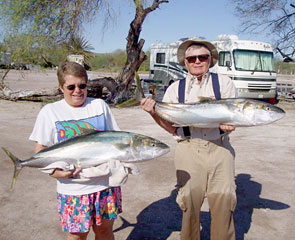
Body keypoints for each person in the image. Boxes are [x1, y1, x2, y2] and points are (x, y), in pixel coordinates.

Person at [141, 39, 237, 240]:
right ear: (185, 62)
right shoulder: (175, 89)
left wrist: (231, 123)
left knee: (224, 205)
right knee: (190, 205)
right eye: (192, 58)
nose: (197, 61)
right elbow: (171, 127)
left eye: (203, 57)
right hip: (188, 148)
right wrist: (153, 112)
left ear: (211, 60)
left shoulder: (225, 83)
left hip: (220, 148)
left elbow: (232, 117)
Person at [30, 61, 121, 240]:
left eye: (82, 85)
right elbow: (40, 151)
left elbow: (115, 140)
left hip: (105, 186)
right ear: (60, 88)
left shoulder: (99, 106)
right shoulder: (50, 112)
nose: (77, 91)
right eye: (71, 86)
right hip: (74, 191)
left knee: (105, 232)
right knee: (76, 236)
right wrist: (57, 174)